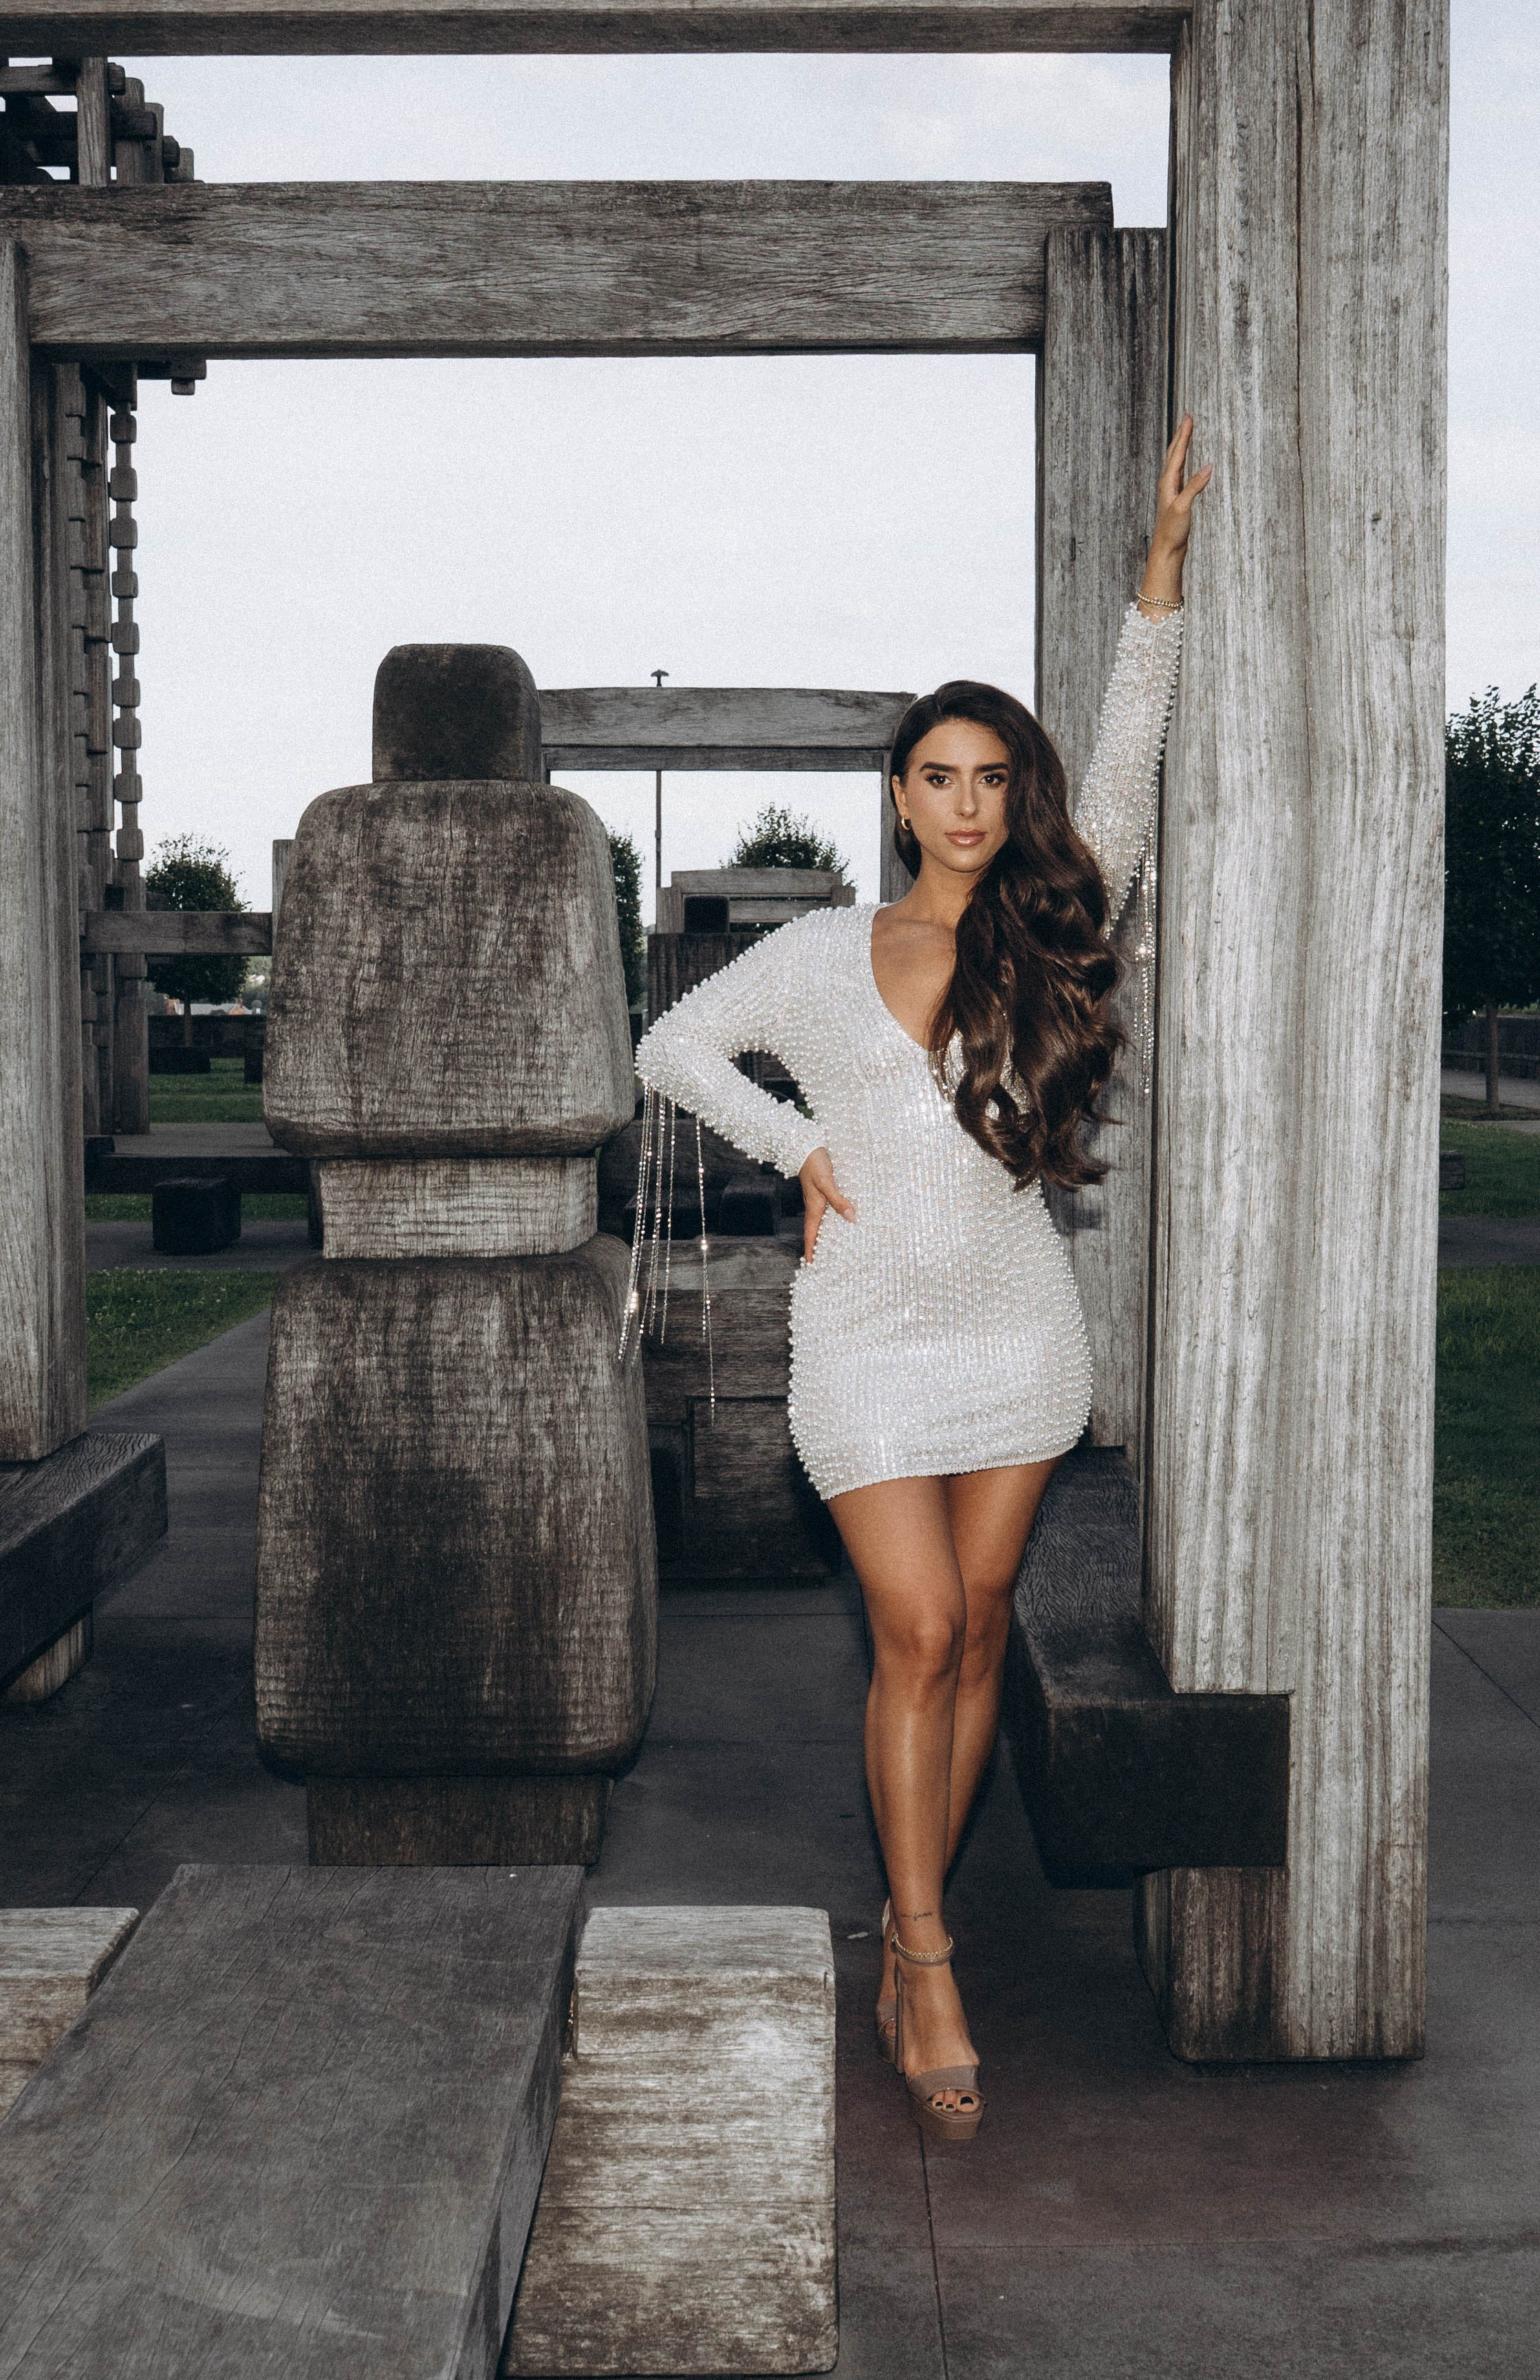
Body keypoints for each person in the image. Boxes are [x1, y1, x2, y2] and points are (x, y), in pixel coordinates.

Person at [633, 416, 1211, 2141]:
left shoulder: (1048, 921)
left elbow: (1127, 758)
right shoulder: (817, 954)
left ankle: (902, 1925)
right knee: (919, 1626)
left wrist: (1156, 575)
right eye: (937, 776)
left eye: (988, 779)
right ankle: (933, 1948)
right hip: (867, 1335)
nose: (966, 804)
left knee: (973, 1648)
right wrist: (798, 1153)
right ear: (895, 795)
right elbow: (669, 1044)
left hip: (1016, 1325)